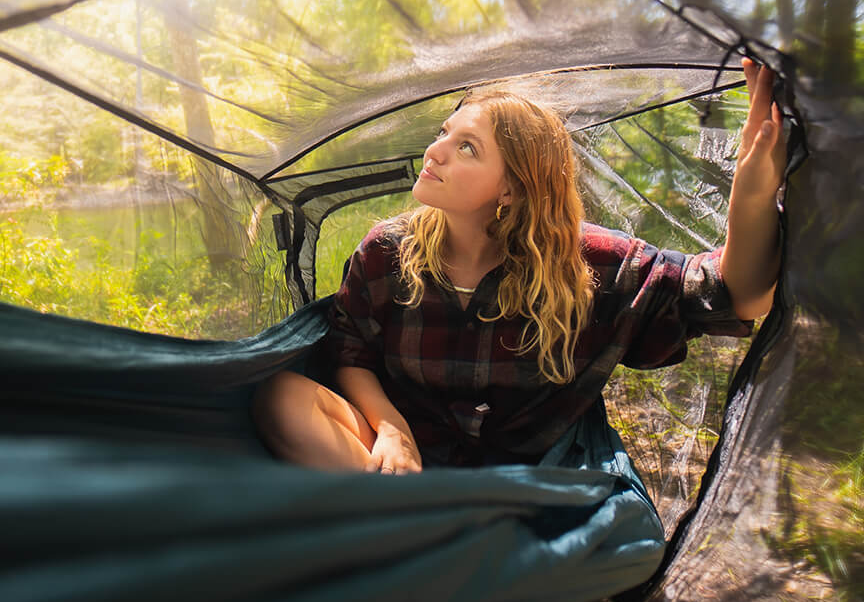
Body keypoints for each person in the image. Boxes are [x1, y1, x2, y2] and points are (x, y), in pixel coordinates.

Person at [252, 58, 786, 474]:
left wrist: (752, 193)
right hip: (404, 463)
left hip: (526, 471)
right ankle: (419, 529)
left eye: (466, 148)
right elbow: (351, 351)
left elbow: (738, 295)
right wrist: (391, 428)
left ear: (511, 187)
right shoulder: (386, 252)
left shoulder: (592, 265)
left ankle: (416, 538)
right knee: (283, 398)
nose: (434, 152)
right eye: (443, 132)